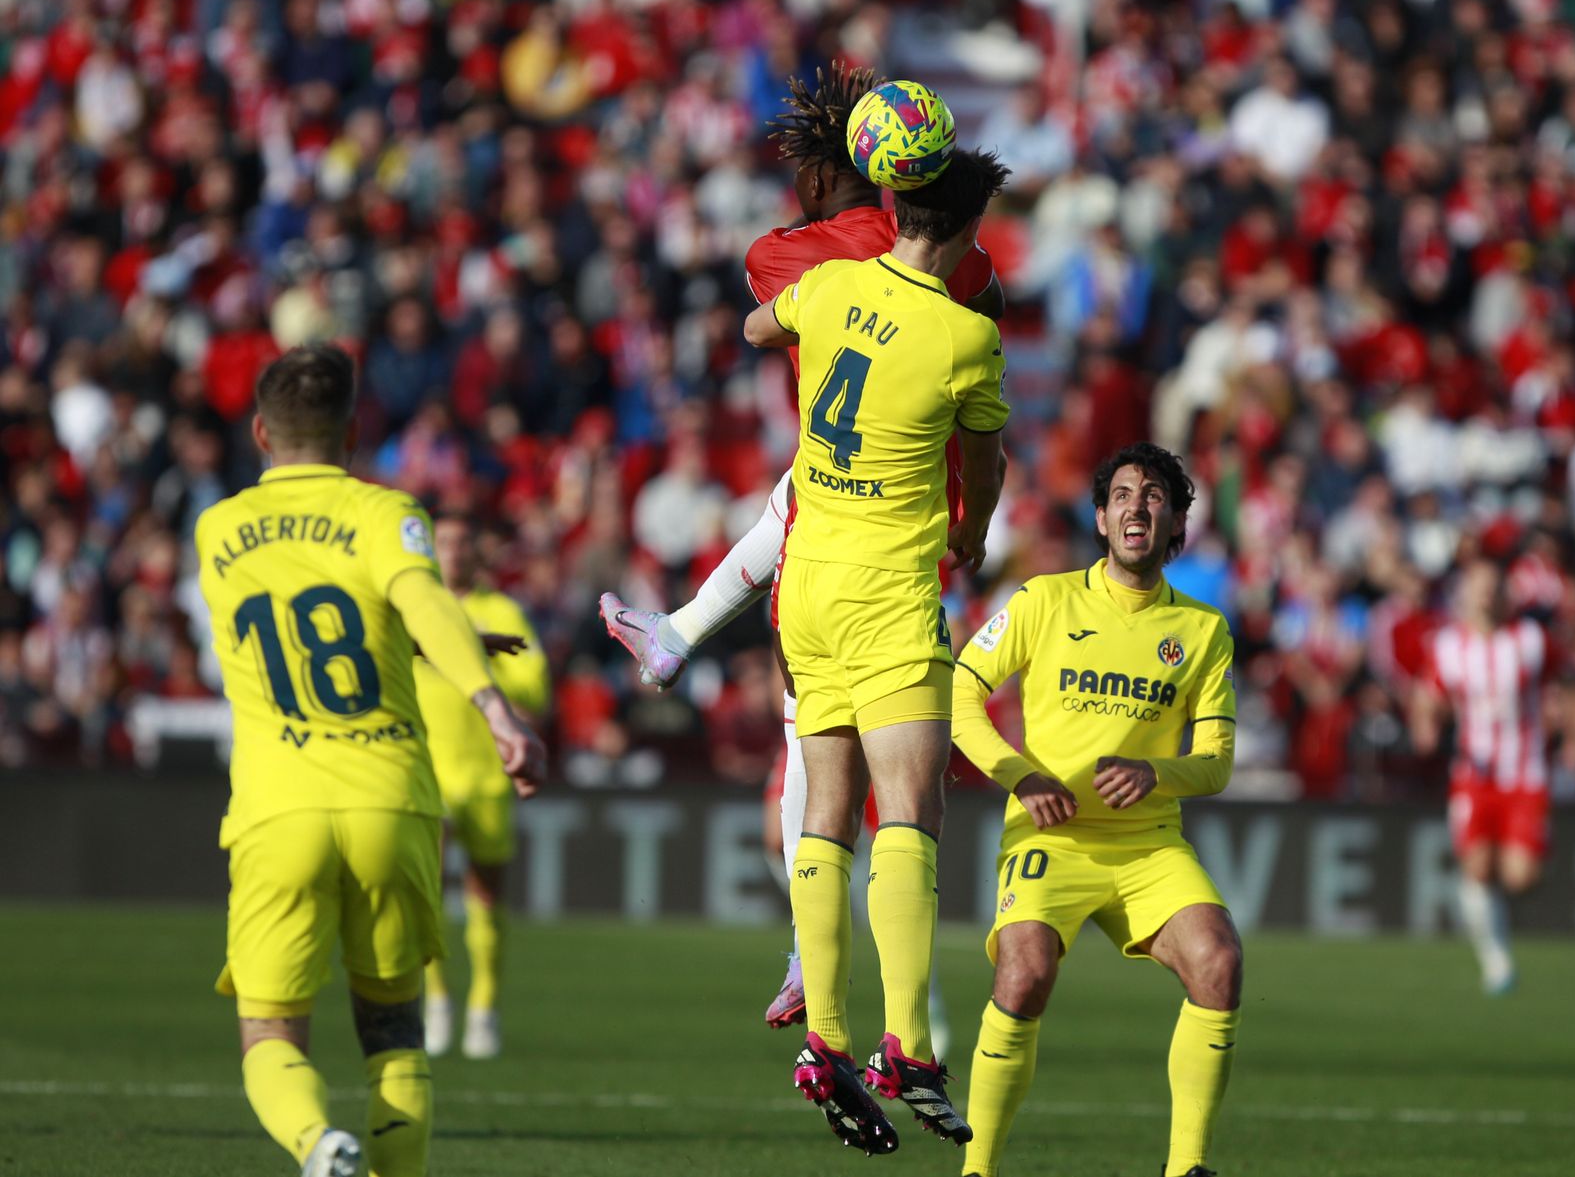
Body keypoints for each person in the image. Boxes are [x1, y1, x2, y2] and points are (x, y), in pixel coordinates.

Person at [599, 62, 1000, 1030]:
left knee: (804, 749)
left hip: (836, 531)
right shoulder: (970, 269)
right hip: (914, 508)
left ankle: (803, 953)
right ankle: (911, 1015)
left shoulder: (795, 257)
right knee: (897, 796)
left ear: (830, 172)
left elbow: (760, 318)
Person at [195, 344, 546, 1177]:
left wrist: (419, 638)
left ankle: (319, 1145)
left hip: (277, 807)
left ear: (258, 431)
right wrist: (495, 707)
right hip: (388, 798)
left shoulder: (218, 530)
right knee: (393, 1033)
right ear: (353, 433)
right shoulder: (388, 515)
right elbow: (416, 602)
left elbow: (307, 621)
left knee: (271, 1029)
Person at [744, 147, 1011, 1154]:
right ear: (967, 228)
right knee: (911, 807)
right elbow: (982, 468)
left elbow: (753, 323)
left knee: (824, 806)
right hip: (888, 591)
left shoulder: (826, 285)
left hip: (803, 585)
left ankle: (825, 1037)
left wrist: (801, 318)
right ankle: (909, 1039)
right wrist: (972, 532)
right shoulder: (964, 336)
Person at [951, 442, 1241, 1177]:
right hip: (1052, 834)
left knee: (1219, 961)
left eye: (1152, 495)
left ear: (1175, 520)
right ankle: (976, 1169)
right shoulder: (1043, 599)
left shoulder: (1203, 631)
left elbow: (1215, 764)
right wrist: (1019, 774)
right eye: (1120, 494)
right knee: (1023, 976)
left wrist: (1156, 770)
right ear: (1101, 518)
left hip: (1148, 845)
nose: (1135, 506)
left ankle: (1187, 1167)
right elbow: (959, 691)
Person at [417, 515, 551, 1060]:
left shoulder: (501, 612)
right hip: (425, 769)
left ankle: (484, 1006)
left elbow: (536, 688)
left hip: (486, 774)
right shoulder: (417, 606)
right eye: (442, 541)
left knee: (485, 893)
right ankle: (437, 1001)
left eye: (461, 541)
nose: (451, 551)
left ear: (477, 551)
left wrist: (473, 660)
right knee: (425, 886)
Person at [1412, 557, 1552, 995]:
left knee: (1519, 877)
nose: (1487, 594)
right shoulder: (1450, 645)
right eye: (1480, 586)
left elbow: (1564, 679)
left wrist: (1567, 729)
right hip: (1473, 772)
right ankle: (1496, 963)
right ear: (1467, 593)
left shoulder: (1529, 639)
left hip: (1524, 772)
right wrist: (1426, 726)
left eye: (1494, 586)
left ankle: (1500, 935)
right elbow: (1429, 694)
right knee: (1475, 867)